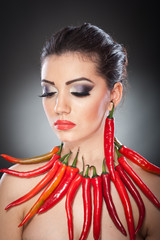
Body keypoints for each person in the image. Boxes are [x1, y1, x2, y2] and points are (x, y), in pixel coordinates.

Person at [0, 23, 159, 240]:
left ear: (114, 95)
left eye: (79, 91)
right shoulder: (14, 188)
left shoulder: (152, 193)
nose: (59, 107)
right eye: (48, 92)